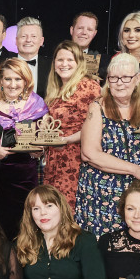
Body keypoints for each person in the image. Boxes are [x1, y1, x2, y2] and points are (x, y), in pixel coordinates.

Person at [76, 53, 140, 237]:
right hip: (102, 196)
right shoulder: (97, 107)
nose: (119, 82)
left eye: (126, 77)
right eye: (114, 78)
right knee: (104, 253)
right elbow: (89, 153)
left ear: (137, 78)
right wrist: (136, 170)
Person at [0, 58, 48, 238]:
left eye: (18, 79)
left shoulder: (37, 103)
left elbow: (45, 137)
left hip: (24, 175)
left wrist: (39, 149)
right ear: (0, 80)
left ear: (26, 81)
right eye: (8, 79)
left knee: (25, 225)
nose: (13, 84)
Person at [42, 40, 101, 209]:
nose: (64, 64)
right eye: (60, 60)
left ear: (79, 63)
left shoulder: (89, 86)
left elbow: (95, 127)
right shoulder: (56, 88)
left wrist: (67, 140)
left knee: (70, 211)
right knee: (54, 210)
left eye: (69, 60)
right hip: (54, 160)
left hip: (76, 161)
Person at [15, 17, 51, 97]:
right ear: (16, 41)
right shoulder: (2, 66)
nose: (28, 40)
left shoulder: (52, 66)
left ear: (41, 41)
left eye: (33, 36)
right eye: (23, 36)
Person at [69, 12, 105, 78]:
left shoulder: (102, 63)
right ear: (72, 30)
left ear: (94, 34)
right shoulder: (58, 57)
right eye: (80, 28)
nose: (84, 32)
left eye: (89, 30)